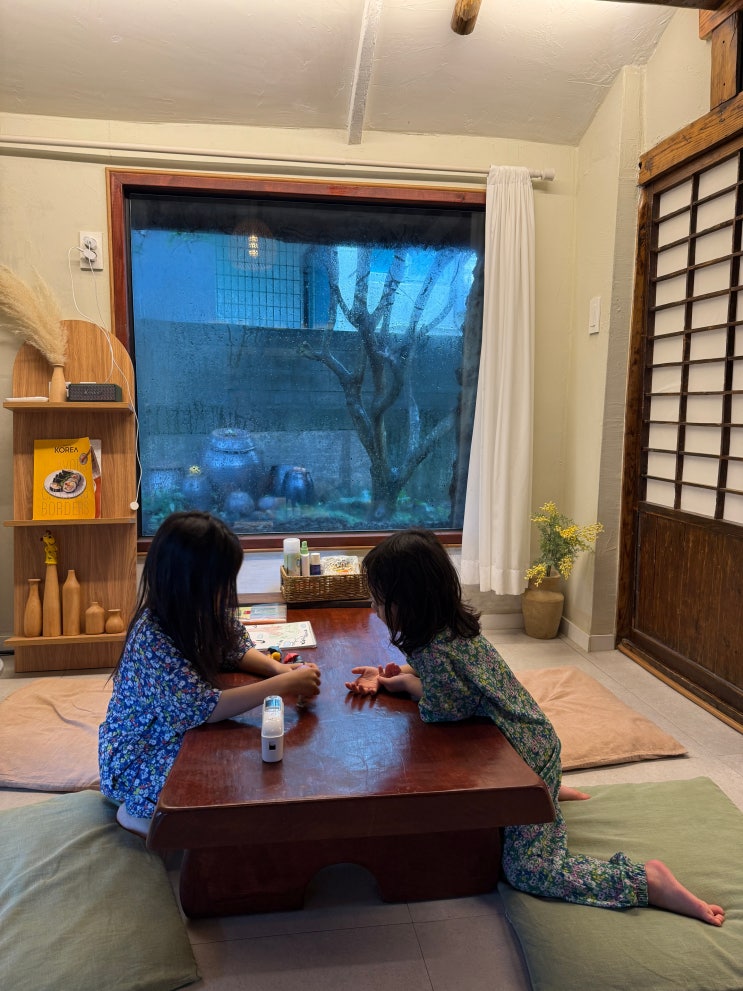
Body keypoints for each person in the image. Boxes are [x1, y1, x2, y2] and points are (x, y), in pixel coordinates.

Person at [346, 528, 724, 927]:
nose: (373, 607)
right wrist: (397, 676)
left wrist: (406, 685)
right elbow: (453, 683)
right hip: (536, 740)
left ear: (408, 602)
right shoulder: (450, 629)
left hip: (521, 761)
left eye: (379, 600)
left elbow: (444, 710)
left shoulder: (435, 649)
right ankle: (549, 791)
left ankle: (646, 881)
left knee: (530, 870)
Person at [99, 511, 321, 837]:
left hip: (179, 727)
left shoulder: (201, 608)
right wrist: (284, 683)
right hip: (142, 751)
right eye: (221, 581)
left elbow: (234, 649)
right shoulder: (152, 636)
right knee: (210, 782)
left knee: (237, 761)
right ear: (191, 581)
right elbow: (205, 708)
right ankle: (137, 813)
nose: (225, 590)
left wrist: (278, 668)